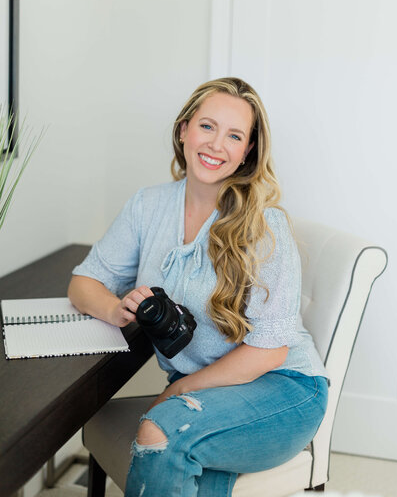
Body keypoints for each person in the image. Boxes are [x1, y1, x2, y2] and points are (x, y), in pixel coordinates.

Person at [68, 77, 329, 497]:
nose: (216, 145)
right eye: (207, 126)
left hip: (284, 389)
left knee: (160, 432)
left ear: (248, 151)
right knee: (187, 472)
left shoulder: (265, 226)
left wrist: (177, 390)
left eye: (235, 135)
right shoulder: (147, 206)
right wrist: (117, 309)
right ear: (184, 129)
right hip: (211, 394)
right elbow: (83, 282)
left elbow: (270, 349)